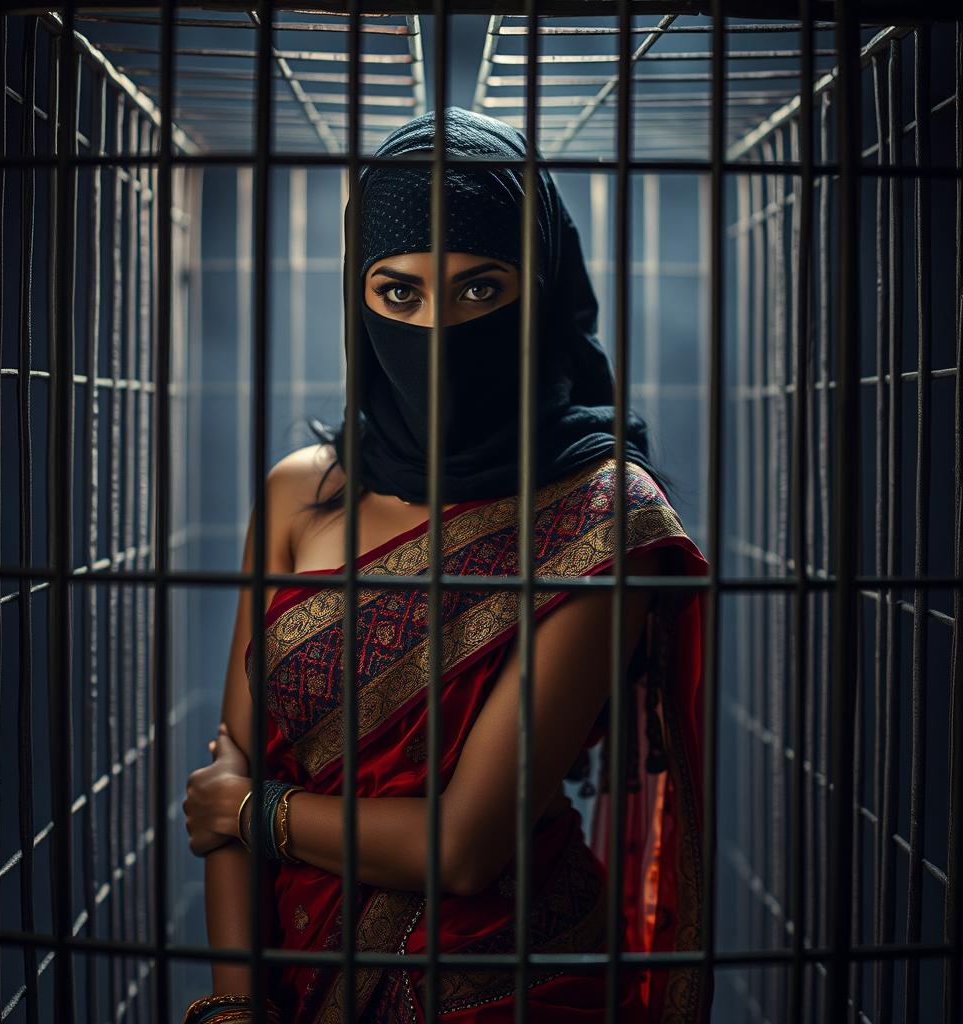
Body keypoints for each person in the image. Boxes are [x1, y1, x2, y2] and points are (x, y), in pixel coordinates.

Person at [181, 107, 710, 1024]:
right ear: (359, 296)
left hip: (509, 983)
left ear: (539, 290)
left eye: (478, 291)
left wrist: (253, 811)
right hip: (292, 978)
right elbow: (237, 760)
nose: (436, 328)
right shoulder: (298, 497)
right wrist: (233, 1007)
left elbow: (463, 846)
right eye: (399, 294)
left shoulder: (600, 516)